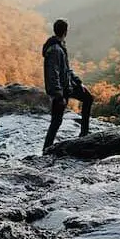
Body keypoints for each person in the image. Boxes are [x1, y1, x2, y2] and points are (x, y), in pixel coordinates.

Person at [42, 18, 93, 152]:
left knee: (88, 98)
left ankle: (84, 134)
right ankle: (46, 150)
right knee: (56, 121)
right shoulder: (55, 49)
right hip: (61, 90)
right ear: (65, 31)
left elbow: (66, 70)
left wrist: (78, 82)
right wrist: (58, 95)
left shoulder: (59, 45)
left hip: (68, 86)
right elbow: (53, 74)